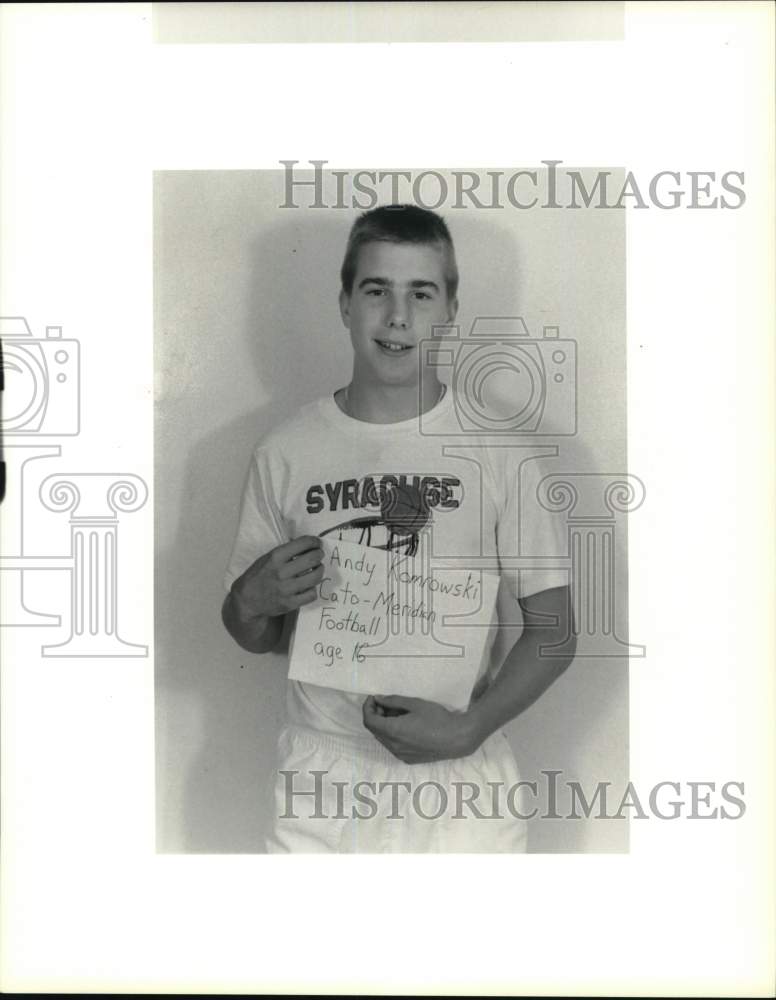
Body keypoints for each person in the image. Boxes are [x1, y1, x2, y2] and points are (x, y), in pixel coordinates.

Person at [222, 204, 575, 852]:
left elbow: (555, 635)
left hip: (462, 775)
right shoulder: (288, 450)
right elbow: (259, 633)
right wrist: (247, 602)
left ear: (450, 308)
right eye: (376, 290)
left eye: (421, 293)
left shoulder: (500, 453)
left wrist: (472, 728)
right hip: (323, 777)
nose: (397, 317)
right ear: (345, 302)